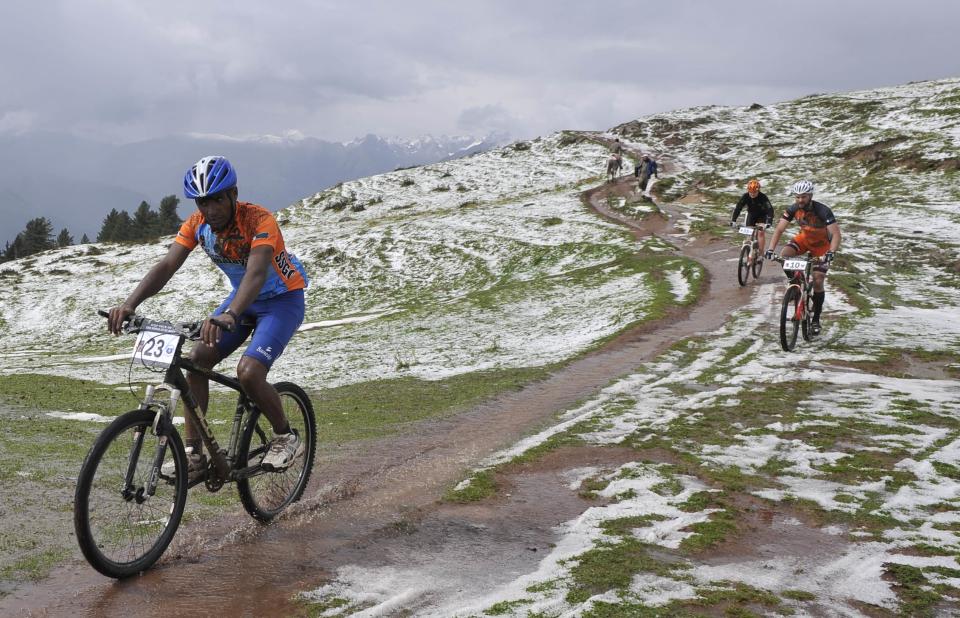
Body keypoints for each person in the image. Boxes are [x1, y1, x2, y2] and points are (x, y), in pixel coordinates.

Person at [108, 156, 310, 482]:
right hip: (240, 300)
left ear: (233, 194)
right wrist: (129, 304)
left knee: (248, 372)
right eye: (203, 201)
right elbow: (167, 265)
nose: (210, 208)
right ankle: (194, 455)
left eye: (217, 198)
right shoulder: (197, 224)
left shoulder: (259, 220)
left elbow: (257, 272)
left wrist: (230, 314)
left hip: (281, 301)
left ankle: (286, 436)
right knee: (197, 359)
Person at [764, 180, 841, 335]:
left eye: (804, 197)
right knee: (784, 256)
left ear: (810, 196)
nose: (800, 200)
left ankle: (816, 320)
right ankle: (795, 283)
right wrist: (771, 249)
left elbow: (837, 235)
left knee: (818, 280)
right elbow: (779, 229)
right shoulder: (793, 209)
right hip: (804, 241)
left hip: (822, 247)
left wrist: (831, 252)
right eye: (797, 197)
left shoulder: (823, 210)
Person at [730, 178, 774, 256]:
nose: (752, 194)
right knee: (749, 234)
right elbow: (738, 208)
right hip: (751, 215)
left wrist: (769, 222)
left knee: (760, 233)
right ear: (748, 191)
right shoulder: (746, 196)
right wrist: (733, 220)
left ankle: (760, 253)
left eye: (754, 192)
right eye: (751, 192)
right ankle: (748, 253)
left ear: (758, 191)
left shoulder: (763, 197)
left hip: (762, 216)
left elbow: (770, 210)